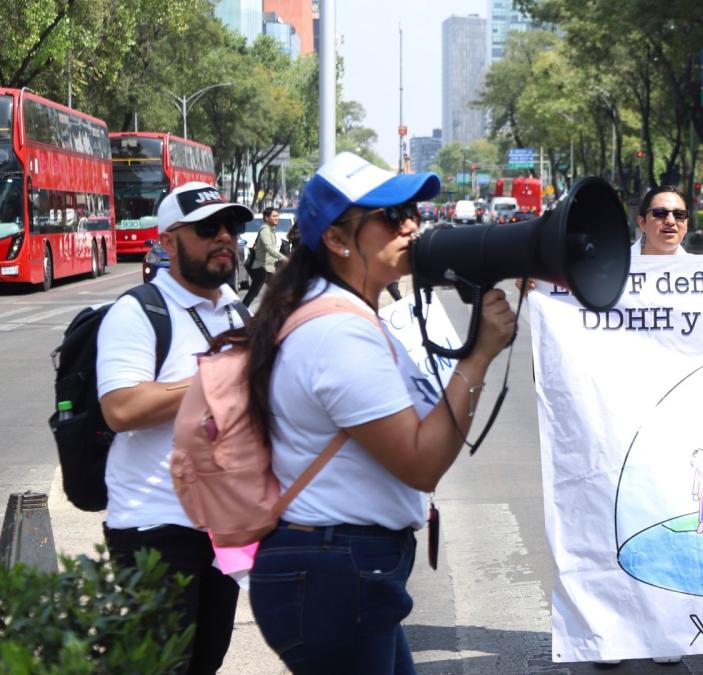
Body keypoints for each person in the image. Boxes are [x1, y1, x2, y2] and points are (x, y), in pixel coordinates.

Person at [241, 152, 515, 673]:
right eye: (391, 216)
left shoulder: (341, 312)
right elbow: (421, 461)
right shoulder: (338, 333)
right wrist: (479, 357)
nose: (411, 224)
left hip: (340, 569)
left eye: (411, 210)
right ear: (338, 240)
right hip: (334, 573)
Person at [97, 182, 253, 674]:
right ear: (168, 242)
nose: (224, 237)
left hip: (223, 526)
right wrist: (216, 378)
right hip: (155, 527)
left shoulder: (235, 308)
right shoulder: (139, 311)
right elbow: (121, 408)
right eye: (207, 228)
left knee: (206, 662)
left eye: (232, 226)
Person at [244, 206, 287, 306]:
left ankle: (276, 312)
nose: (277, 218)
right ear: (267, 218)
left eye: (277, 216)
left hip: (268, 267)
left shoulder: (271, 230)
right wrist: (284, 259)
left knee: (276, 290)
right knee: (254, 292)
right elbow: (269, 248)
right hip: (261, 267)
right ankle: (242, 312)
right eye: (274, 216)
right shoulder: (265, 230)